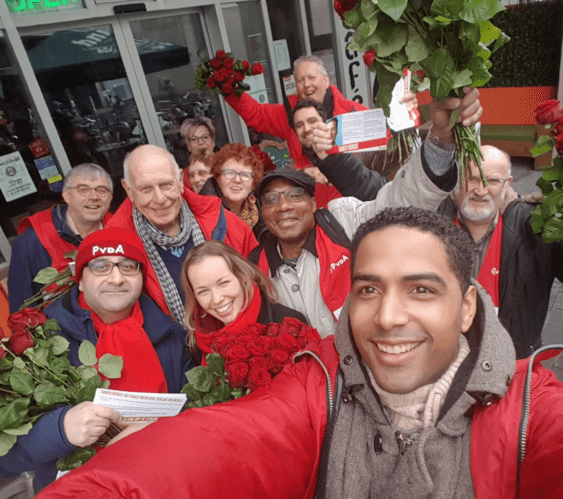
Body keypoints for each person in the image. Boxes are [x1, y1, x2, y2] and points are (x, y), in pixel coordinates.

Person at [37, 207, 563, 499]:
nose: (387, 317)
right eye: (368, 289)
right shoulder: (318, 384)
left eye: (421, 290)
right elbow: (230, 438)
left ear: (468, 306)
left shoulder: (531, 409)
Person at [249, 87, 482, 336]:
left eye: (295, 196)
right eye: (271, 200)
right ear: (262, 211)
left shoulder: (343, 222)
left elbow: (400, 202)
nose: (283, 206)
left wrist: (440, 139)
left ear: (314, 204)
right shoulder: (254, 267)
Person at [0, 228, 192, 492]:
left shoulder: (172, 334)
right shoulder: (38, 343)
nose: (116, 278)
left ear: (141, 278)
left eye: (128, 267)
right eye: (101, 266)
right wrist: (60, 430)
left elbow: (199, 411)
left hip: (164, 480)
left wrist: (159, 428)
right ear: (79, 280)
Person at [224, 55, 417, 207]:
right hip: (310, 203)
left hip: (353, 202)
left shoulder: (355, 113)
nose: (306, 84)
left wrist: (407, 113)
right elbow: (256, 114)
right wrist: (227, 87)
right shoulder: (289, 115)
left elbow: (394, 147)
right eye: (300, 80)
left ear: (326, 80)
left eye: (311, 78)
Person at [108, 144, 258, 325]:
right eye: (146, 189)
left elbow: (258, 282)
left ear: (180, 180)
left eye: (166, 185)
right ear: (129, 191)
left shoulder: (222, 221)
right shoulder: (115, 248)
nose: (160, 199)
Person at [441, 145, 563, 358]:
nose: (480, 190)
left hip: (512, 364)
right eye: (471, 178)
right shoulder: (430, 224)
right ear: (456, 181)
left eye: (493, 181)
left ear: (508, 184)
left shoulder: (536, 228)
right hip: (441, 359)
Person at [7, 163, 113, 313]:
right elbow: (22, 313)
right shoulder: (30, 244)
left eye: (102, 190)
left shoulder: (122, 229)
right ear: (66, 195)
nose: (94, 197)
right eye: (83, 190)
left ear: (110, 197)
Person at [180, 240, 307, 364]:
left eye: (223, 283)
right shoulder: (198, 343)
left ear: (242, 277)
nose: (217, 299)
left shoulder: (288, 325)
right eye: (203, 291)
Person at [292, 98, 387, 201]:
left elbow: (375, 190)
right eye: (299, 125)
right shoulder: (292, 169)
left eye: (312, 121)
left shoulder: (356, 152)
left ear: (325, 122)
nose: (306, 129)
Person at [199, 143, 265, 237]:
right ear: (218, 178)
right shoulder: (203, 214)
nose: (237, 180)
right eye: (229, 173)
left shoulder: (262, 211)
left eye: (245, 175)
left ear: (253, 184)